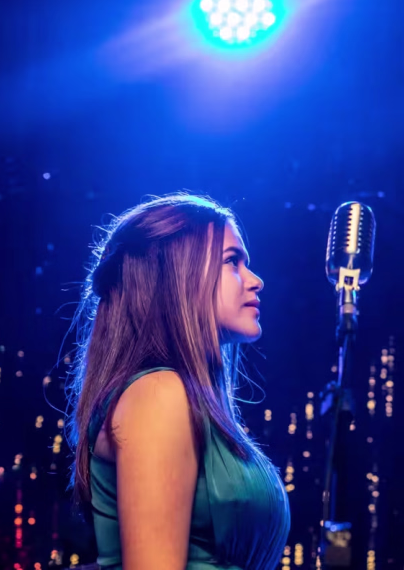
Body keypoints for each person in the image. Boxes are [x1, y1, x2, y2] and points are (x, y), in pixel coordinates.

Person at [65, 194, 290, 570]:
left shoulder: (179, 398)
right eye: (232, 261)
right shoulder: (158, 394)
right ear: (177, 275)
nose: (256, 281)